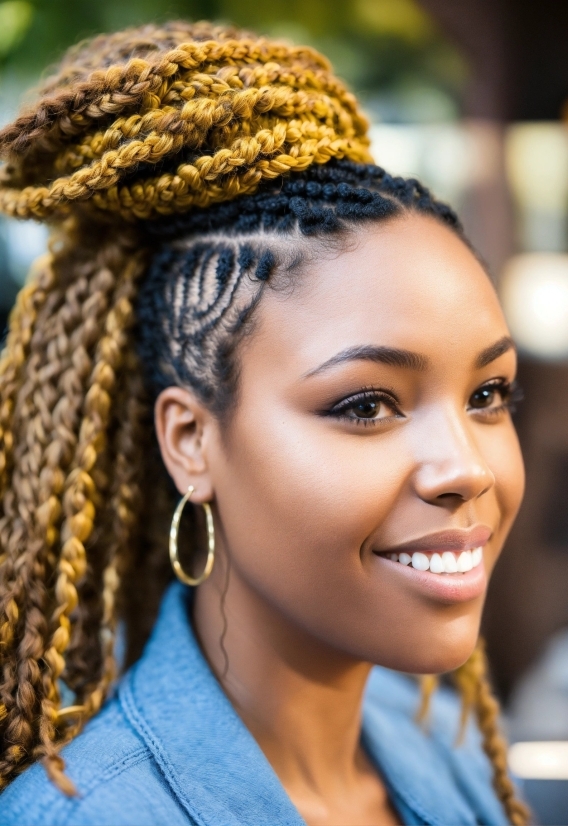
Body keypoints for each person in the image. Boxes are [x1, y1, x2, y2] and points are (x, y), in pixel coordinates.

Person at [0, 21, 530, 826]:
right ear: (191, 442)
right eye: (365, 406)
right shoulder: (94, 815)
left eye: (488, 394)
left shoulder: (438, 751)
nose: (466, 468)